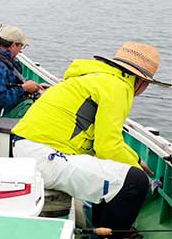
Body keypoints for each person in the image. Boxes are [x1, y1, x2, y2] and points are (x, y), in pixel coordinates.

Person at [12, 42, 169, 238]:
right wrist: (140, 173)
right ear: (141, 81)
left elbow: (105, 141)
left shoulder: (93, 77)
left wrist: (136, 159)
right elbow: (107, 147)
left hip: (27, 149)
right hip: (45, 156)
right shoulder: (119, 87)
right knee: (135, 182)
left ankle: (101, 230)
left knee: (112, 174)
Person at [0, 25, 44, 119]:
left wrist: (32, 86)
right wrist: (24, 88)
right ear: (13, 45)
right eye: (21, 46)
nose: (21, 50)